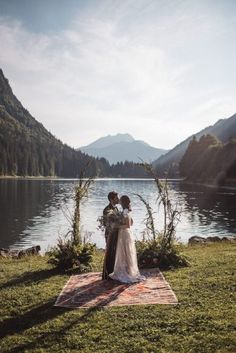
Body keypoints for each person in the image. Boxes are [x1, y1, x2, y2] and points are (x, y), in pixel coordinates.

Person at [109, 195, 146, 283]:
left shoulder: (125, 211)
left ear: (123, 202)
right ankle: (128, 270)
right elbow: (132, 222)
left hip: (124, 233)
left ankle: (125, 272)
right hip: (126, 233)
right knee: (126, 252)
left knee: (124, 252)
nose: (119, 201)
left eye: (120, 200)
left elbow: (128, 225)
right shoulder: (127, 211)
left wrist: (117, 226)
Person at [102, 191, 120, 280]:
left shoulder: (116, 208)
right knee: (109, 253)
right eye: (116, 198)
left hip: (117, 233)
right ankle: (106, 274)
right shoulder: (106, 210)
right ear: (111, 199)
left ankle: (113, 272)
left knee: (115, 252)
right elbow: (108, 224)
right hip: (110, 234)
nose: (118, 199)